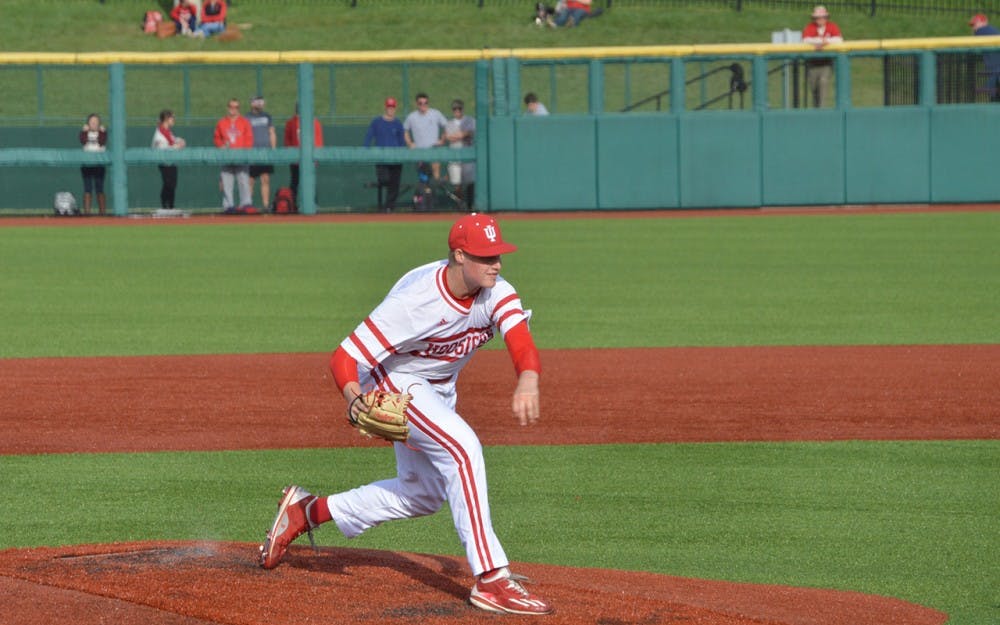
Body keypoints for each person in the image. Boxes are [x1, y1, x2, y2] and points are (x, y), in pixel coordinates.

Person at [258, 213, 553, 616]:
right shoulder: (415, 303)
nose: (496, 264)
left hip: (439, 391)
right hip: (393, 380)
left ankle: (307, 511)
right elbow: (344, 358)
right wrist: (353, 397)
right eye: (486, 257)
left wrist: (529, 380)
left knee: (423, 494)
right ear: (459, 256)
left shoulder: (495, 290)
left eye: (498, 255)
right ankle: (492, 579)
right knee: (464, 448)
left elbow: (520, 339)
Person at [363, 96, 407, 212]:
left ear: (395, 108)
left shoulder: (398, 123)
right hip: (381, 158)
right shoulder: (377, 122)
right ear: (385, 107)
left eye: (392, 107)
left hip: (396, 159)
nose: (390, 109)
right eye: (389, 107)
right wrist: (365, 149)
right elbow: (369, 136)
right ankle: (385, 205)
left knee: (394, 183)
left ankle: (389, 207)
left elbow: (402, 141)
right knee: (384, 179)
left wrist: (402, 153)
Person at [213, 97, 254, 212]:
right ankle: (228, 205)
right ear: (228, 108)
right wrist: (221, 146)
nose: (233, 109)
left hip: (241, 156)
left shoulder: (244, 122)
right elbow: (217, 138)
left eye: (236, 107)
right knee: (227, 183)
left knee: (244, 181)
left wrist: (246, 153)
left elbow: (249, 138)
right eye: (231, 106)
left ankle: (246, 204)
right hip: (226, 156)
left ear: (239, 109)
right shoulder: (222, 122)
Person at [801, 5, 843, 108]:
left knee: (823, 83)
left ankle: (822, 110)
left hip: (826, 63)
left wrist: (825, 42)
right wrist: (820, 41)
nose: (820, 19)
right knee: (814, 88)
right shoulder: (810, 27)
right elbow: (805, 40)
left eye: (823, 17)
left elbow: (839, 40)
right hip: (812, 63)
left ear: (826, 17)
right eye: (817, 18)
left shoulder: (832, 26)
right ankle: (816, 111)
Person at [283, 104, 325, 207]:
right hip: (295, 159)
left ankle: (313, 204)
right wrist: (291, 154)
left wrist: (316, 157)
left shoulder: (314, 122)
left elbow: (318, 140)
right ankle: (292, 205)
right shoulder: (291, 122)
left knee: (310, 183)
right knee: (295, 182)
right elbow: (287, 140)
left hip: (310, 158)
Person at [404, 92, 447, 181]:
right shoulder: (412, 117)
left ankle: (434, 193)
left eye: (425, 103)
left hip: (433, 151)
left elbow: (446, 126)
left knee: (436, 178)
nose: (423, 105)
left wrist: (442, 140)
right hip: (420, 153)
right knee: (424, 179)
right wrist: (409, 143)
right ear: (417, 104)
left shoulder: (435, 114)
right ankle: (425, 193)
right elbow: (405, 130)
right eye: (420, 103)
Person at [151, 109, 186, 210]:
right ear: (166, 119)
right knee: (168, 184)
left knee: (173, 184)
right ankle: (165, 206)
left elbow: (173, 139)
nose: (173, 120)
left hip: (172, 161)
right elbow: (162, 149)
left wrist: (180, 141)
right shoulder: (159, 133)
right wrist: (176, 147)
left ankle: (171, 206)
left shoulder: (167, 131)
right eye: (172, 118)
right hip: (164, 163)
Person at [246, 95, 277, 210]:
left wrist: (273, 150)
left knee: (265, 179)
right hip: (252, 153)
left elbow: (272, 132)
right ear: (252, 103)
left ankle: (265, 205)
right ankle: (248, 205)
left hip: (265, 153)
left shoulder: (267, 116)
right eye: (257, 101)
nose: (260, 104)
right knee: (250, 180)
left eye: (261, 101)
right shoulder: (247, 117)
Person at [444, 99, 476, 207]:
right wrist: (461, 135)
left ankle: (470, 205)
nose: (457, 111)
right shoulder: (449, 123)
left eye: (459, 108)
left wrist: (461, 134)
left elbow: (469, 133)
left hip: (467, 154)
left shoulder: (469, 120)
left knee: (470, 181)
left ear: (462, 109)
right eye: (455, 109)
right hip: (454, 155)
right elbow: (449, 137)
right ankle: (460, 204)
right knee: (456, 182)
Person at [78, 113, 107, 216]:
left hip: (99, 164)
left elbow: (102, 142)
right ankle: (87, 212)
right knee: (87, 188)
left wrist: (102, 132)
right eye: (91, 122)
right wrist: (84, 131)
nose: (94, 124)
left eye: (96, 122)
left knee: (100, 188)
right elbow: (83, 141)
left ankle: (102, 212)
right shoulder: (85, 133)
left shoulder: (102, 133)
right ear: (88, 123)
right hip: (87, 164)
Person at [969, 14, 1000, 101]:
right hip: (996, 71)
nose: (974, 27)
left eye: (975, 24)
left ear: (984, 23)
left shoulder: (983, 30)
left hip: (997, 71)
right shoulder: (992, 30)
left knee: (995, 100)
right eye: (972, 25)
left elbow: (972, 46)